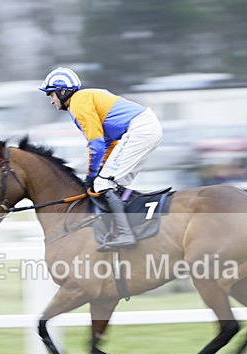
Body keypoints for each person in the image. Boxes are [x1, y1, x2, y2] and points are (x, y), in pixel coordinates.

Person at [39, 67, 163, 251]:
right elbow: (108, 143)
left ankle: (125, 233)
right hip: (146, 129)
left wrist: (91, 175)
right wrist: (100, 170)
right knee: (111, 184)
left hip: (140, 130)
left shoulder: (78, 102)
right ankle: (127, 227)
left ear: (63, 91)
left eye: (51, 95)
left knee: (103, 184)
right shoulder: (84, 99)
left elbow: (95, 144)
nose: (51, 101)